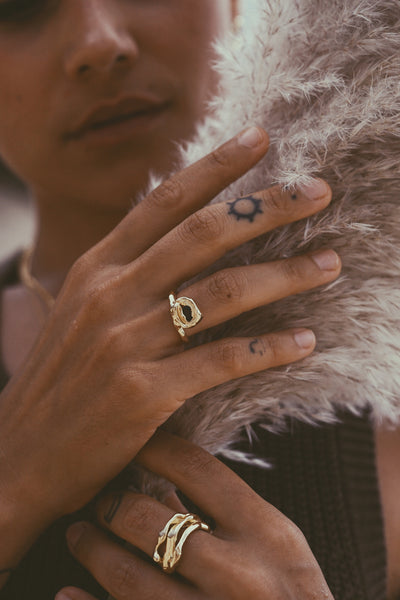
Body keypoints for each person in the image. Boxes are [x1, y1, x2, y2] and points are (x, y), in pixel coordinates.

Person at [0, 1, 393, 599]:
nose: (100, 44)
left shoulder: (381, 384)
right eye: (19, 9)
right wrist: (14, 477)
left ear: (234, 6)